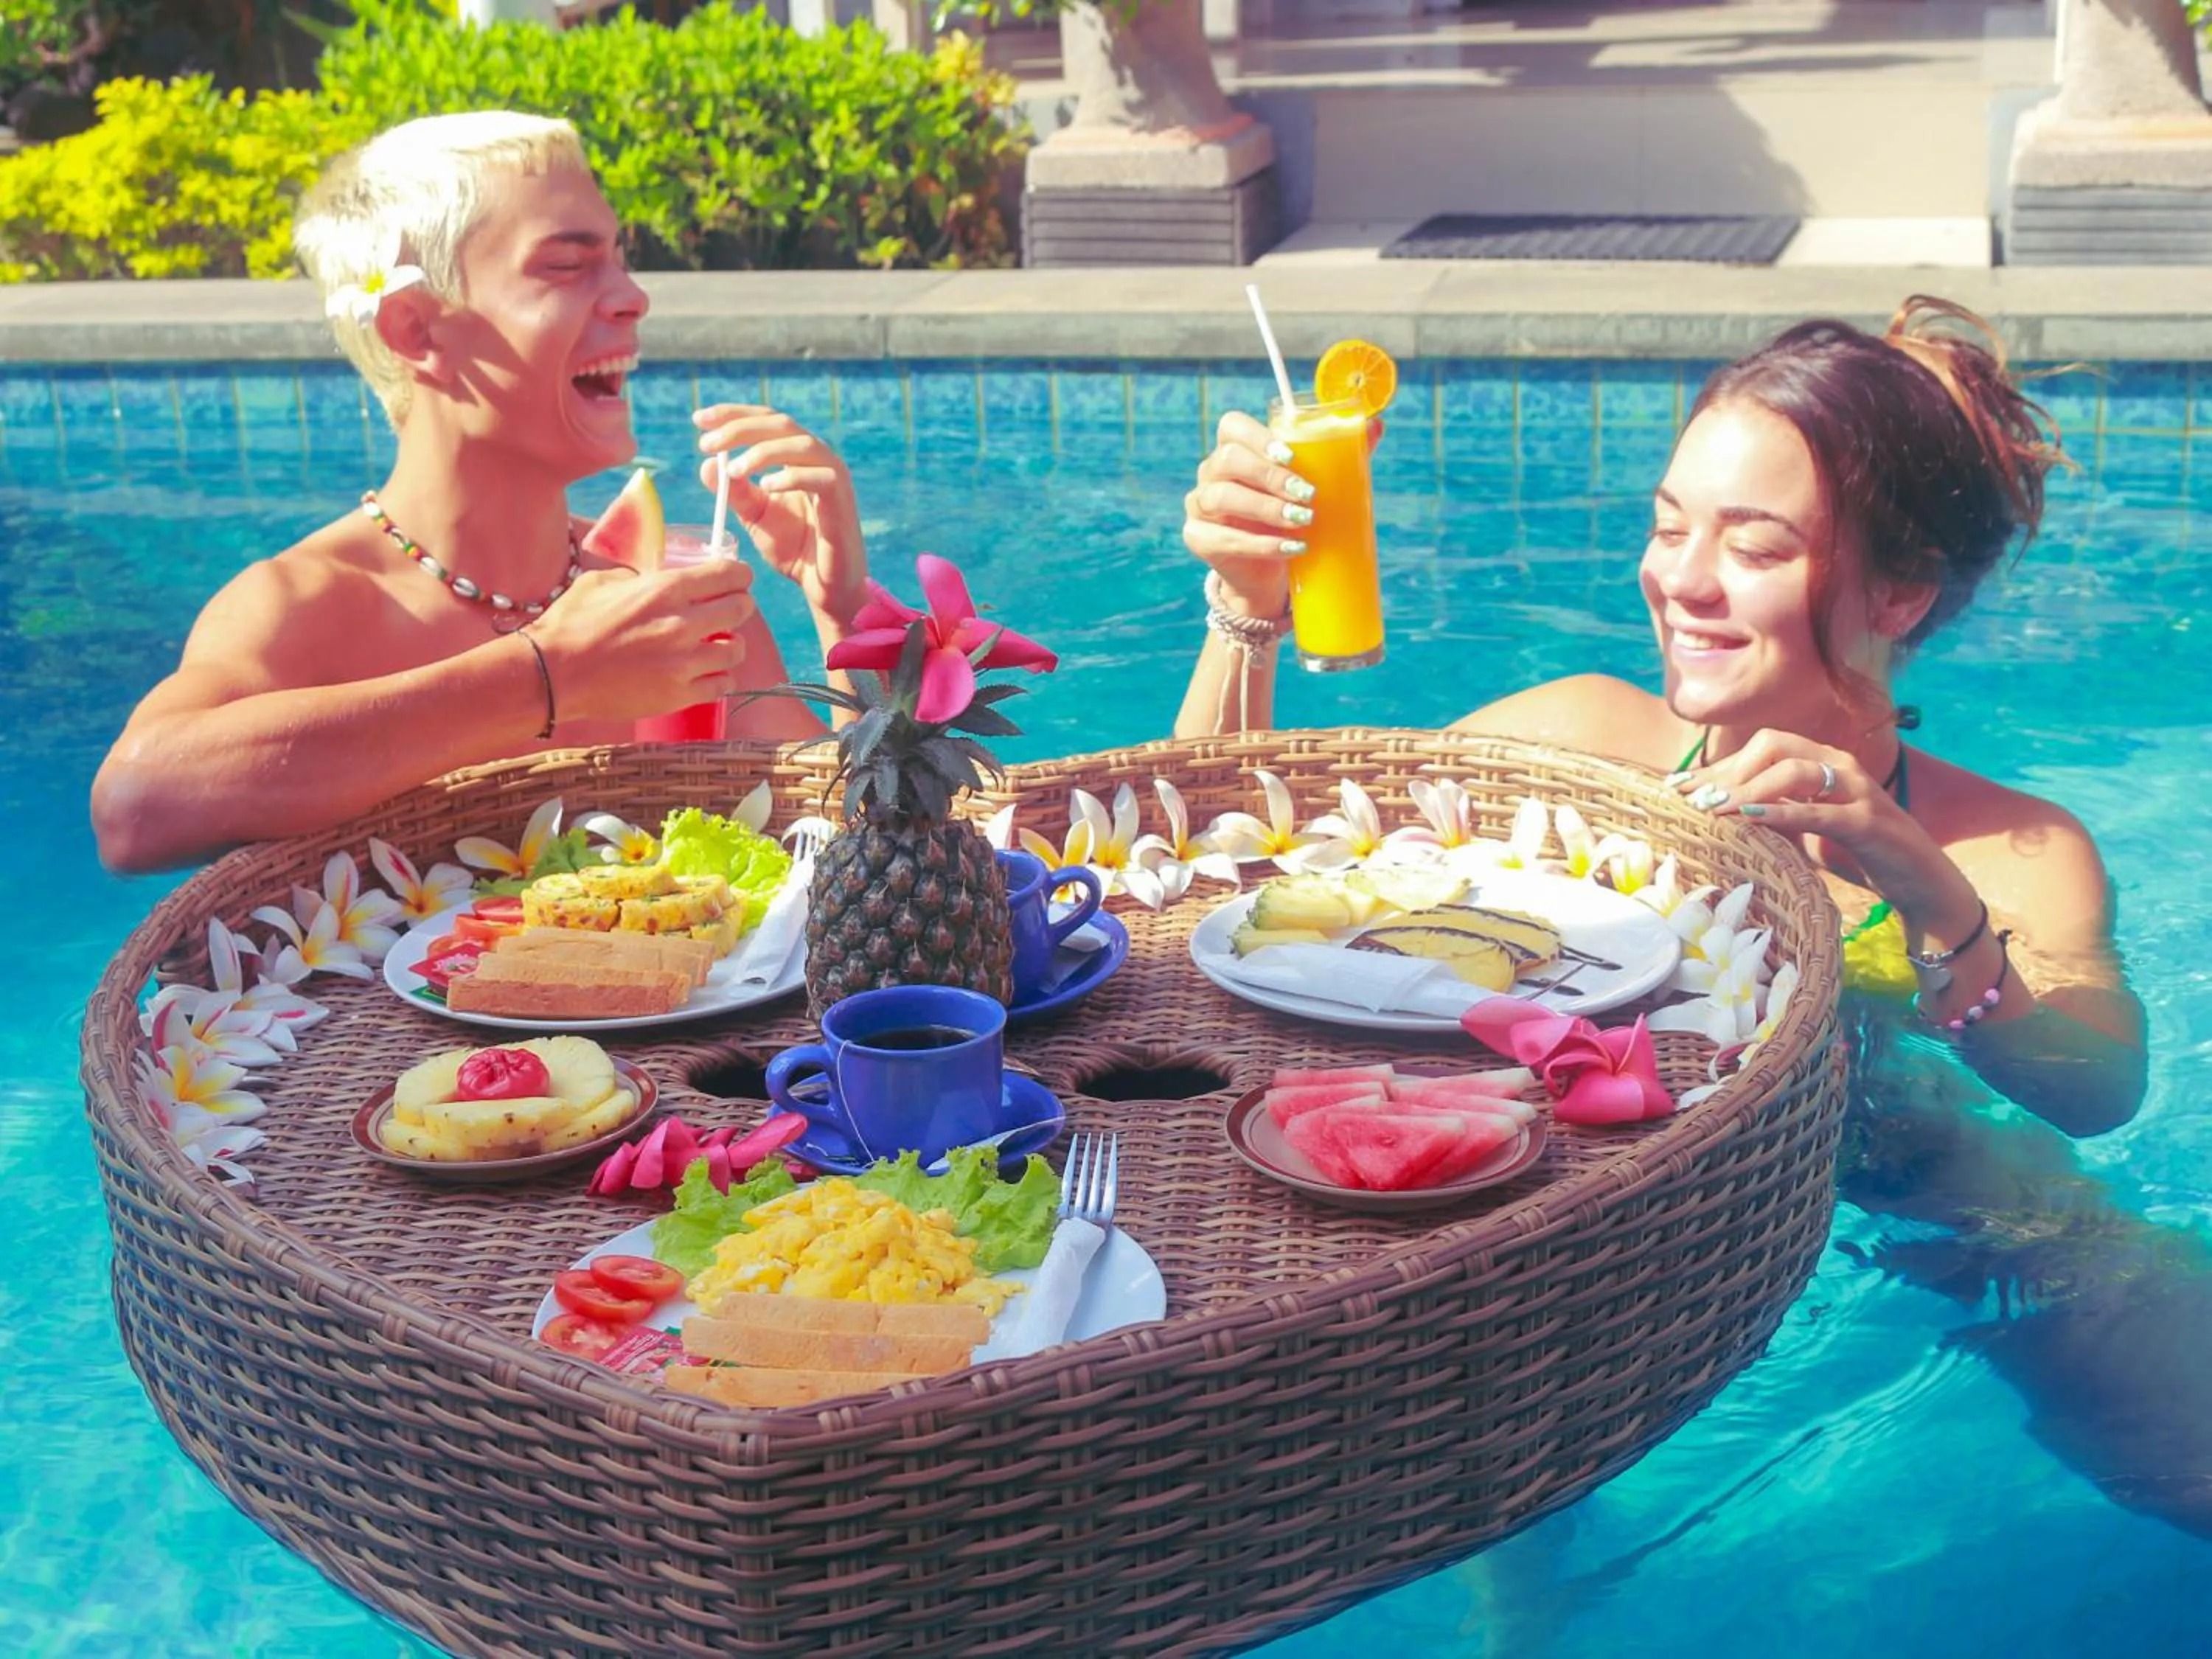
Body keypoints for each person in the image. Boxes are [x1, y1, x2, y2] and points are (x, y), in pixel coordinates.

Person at [1176, 299, 2212, 1539]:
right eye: (1670, 528)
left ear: (1899, 592)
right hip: (1565, 1238)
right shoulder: (1575, 743)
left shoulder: (2013, 851)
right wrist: (1245, 611)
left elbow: (2097, 1092)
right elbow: (1219, 884)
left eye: (1754, 546)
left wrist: (1927, 893)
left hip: (1916, 1190)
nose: (1682, 580)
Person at [91, 112, 867, 873]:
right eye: (568, 265)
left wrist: (842, 614)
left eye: (621, 259)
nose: (634, 296)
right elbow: (135, 809)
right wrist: (547, 677)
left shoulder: (664, 597)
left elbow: (859, 831)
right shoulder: (306, 606)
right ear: (413, 331)